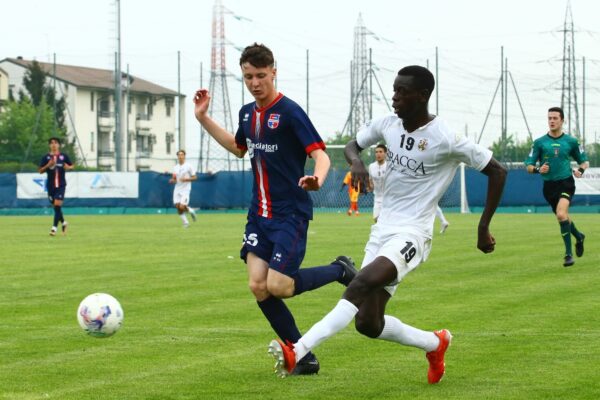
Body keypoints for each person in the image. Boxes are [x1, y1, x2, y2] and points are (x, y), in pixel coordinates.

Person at [268, 65, 507, 382]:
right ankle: (435, 343)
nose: (394, 97)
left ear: (422, 96)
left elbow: (498, 171)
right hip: (382, 230)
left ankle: (297, 349)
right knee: (368, 323)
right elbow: (354, 144)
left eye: (402, 91)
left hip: (413, 234)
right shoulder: (388, 125)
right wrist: (356, 162)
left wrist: (482, 226)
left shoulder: (446, 137)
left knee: (360, 282)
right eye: (394, 89)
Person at [194, 43, 357, 375]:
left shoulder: (290, 112)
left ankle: (340, 270)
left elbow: (321, 155)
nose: (255, 83)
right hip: (259, 215)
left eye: (261, 76)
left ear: (274, 73)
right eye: (248, 77)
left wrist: (316, 178)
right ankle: (303, 356)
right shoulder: (246, 114)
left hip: (289, 215)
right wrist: (203, 118)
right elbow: (238, 148)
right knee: (258, 286)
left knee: (279, 286)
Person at [524, 106, 588, 267]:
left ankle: (568, 255)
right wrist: (538, 169)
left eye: (555, 118)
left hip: (566, 182)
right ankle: (579, 237)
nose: (551, 121)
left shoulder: (571, 142)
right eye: (549, 118)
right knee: (563, 216)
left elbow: (584, 161)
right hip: (549, 187)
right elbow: (529, 166)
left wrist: (580, 170)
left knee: (561, 214)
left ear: (562, 120)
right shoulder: (539, 143)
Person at [38, 137, 74, 236]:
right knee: (56, 208)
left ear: (59, 145)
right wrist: (48, 165)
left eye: (56, 143)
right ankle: (64, 223)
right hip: (50, 186)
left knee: (57, 205)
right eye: (51, 143)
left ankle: (54, 228)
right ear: (49, 145)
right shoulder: (46, 157)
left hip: (61, 185)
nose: (54, 145)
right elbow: (40, 171)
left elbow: (71, 166)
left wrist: (68, 167)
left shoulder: (63, 156)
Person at [169, 149, 197, 228]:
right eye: (179, 155)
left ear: (184, 156)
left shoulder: (189, 166)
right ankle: (186, 223)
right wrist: (172, 180)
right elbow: (174, 178)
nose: (180, 156)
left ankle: (191, 211)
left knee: (182, 206)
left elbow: (195, 177)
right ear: (177, 156)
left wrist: (186, 179)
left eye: (182, 155)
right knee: (178, 207)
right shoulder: (175, 167)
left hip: (185, 189)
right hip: (177, 189)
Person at [368, 143, 387, 222]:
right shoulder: (371, 166)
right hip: (377, 198)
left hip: (389, 198)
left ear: (385, 153)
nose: (378, 154)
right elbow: (371, 183)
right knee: (377, 220)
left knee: (386, 221)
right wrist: (367, 188)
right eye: (376, 152)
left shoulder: (389, 166)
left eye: (380, 152)